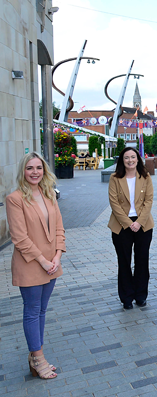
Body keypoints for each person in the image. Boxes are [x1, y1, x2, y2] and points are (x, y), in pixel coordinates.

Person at [6, 152, 65, 380]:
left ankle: (35, 356)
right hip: (31, 263)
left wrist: (58, 256)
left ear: (44, 170)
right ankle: (38, 358)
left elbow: (59, 227)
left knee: (41, 311)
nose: (34, 172)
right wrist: (43, 261)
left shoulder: (49, 194)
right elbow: (19, 238)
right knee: (32, 311)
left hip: (52, 263)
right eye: (30, 168)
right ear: (23, 171)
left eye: (38, 168)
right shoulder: (15, 198)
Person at [108, 147, 154, 310]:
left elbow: (148, 201)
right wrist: (128, 223)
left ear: (137, 159)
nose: (130, 160)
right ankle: (126, 297)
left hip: (143, 224)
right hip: (121, 225)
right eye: (126, 158)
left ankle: (141, 296)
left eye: (133, 157)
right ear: (122, 160)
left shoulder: (145, 176)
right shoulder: (115, 178)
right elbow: (113, 203)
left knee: (142, 261)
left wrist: (139, 222)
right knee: (124, 262)